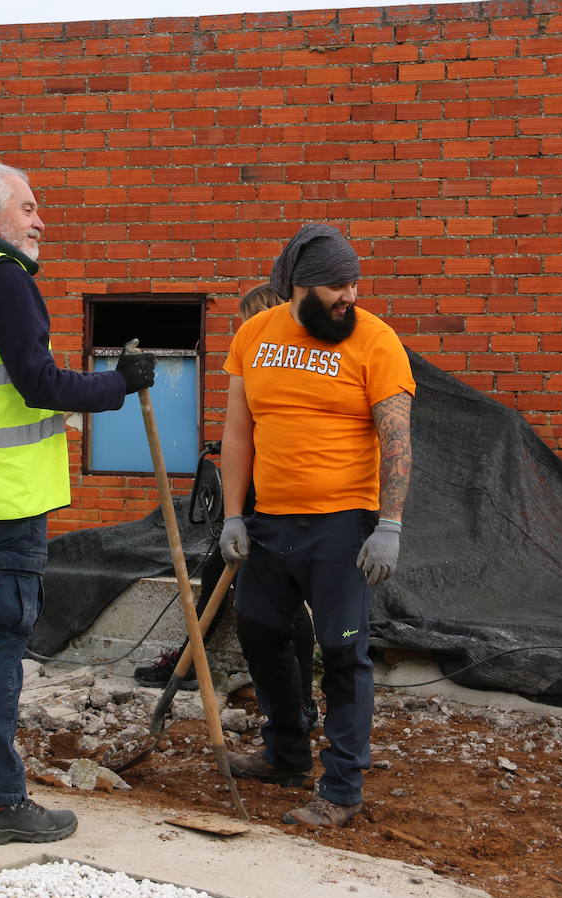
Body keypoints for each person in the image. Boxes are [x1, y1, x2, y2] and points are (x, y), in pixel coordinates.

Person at [0, 160, 156, 845]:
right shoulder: (2, 277)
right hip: (6, 495)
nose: (41, 221)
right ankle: (0, 803)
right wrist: (117, 385)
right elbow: (37, 383)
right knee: (1, 644)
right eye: (30, 208)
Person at [219, 224, 414, 828]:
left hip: (341, 525)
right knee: (259, 632)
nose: (348, 296)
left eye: (354, 283)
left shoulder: (376, 342)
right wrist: (231, 513)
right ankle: (285, 753)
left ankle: (343, 787)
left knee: (343, 652)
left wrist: (390, 524)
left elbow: (397, 438)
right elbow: (238, 430)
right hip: (270, 521)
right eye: (336, 286)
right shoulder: (255, 334)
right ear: (299, 287)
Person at [134, 283, 319, 731]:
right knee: (217, 577)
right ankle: (186, 666)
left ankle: (303, 702)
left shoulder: (293, 362)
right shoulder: (258, 359)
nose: (243, 334)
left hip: (282, 501)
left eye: (246, 325)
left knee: (289, 605)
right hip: (249, 498)